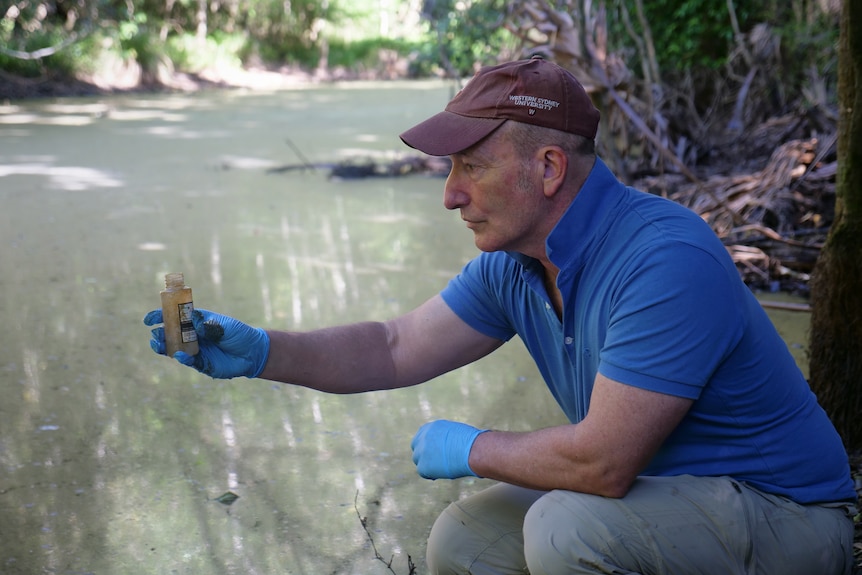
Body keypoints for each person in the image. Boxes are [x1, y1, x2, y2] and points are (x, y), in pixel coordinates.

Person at [144, 57, 857, 575]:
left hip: (788, 517)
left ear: (548, 169)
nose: (450, 195)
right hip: (666, 498)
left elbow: (602, 463)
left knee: (567, 527)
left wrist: (474, 445)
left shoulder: (664, 258)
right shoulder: (516, 263)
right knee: (465, 539)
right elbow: (394, 347)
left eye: (470, 167)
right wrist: (264, 350)